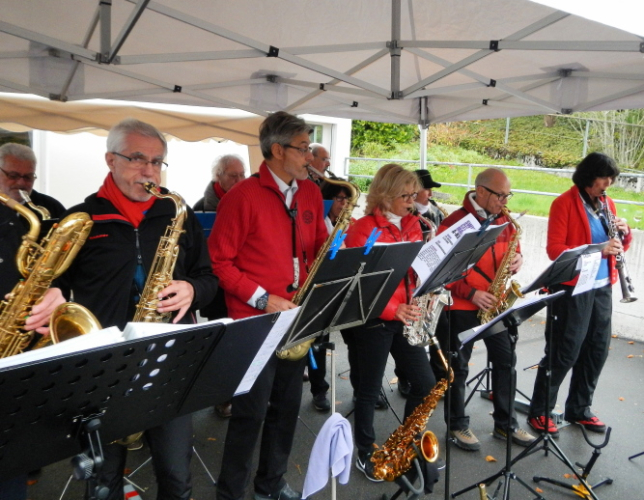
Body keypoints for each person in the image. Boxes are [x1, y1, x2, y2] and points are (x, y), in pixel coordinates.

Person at [37, 118, 218, 500]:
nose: (149, 171)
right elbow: (56, 282)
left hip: (169, 360)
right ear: (111, 160)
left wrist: (192, 288)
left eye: (157, 161)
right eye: (137, 158)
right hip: (103, 364)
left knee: (176, 475)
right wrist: (54, 291)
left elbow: (208, 278)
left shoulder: (177, 213)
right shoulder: (82, 218)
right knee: (103, 482)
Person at [208, 111, 327, 500]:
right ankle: (231, 493)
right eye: (303, 148)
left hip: (296, 315)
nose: (310, 156)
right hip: (254, 321)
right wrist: (262, 297)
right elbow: (219, 263)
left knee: (287, 408)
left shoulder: (310, 193)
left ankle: (271, 483)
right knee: (250, 413)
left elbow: (317, 246)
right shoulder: (242, 197)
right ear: (277, 150)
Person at [527, 152, 631, 437]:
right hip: (572, 287)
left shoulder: (607, 203)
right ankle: (540, 411)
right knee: (565, 350)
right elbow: (555, 250)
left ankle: (579, 408)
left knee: (597, 349)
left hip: (601, 286)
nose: (608, 184)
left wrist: (624, 234)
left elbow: (617, 246)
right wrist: (599, 249)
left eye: (611, 179)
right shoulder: (564, 204)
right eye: (604, 178)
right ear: (588, 177)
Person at [344, 164, 436, 482]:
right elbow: (359, 285)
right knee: (369, 391)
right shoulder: (362, 230)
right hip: (374, 319)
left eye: (413, 195)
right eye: (405, 196)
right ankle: (365, 451)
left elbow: (415, 272)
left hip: (406, 316)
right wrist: (392, 309)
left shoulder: (414, 225)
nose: (412, 201)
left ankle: (405, 444)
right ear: (384, 195)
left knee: (425, 383)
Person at [432, 167, 535, 451]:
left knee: (505, 360)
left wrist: (518, 259)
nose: (505, 201)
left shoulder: (507, 221)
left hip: (495, 304)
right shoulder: (454, 223)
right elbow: (440, 271)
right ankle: (457, 425)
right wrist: (471, 293)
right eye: (500, 195)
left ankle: (506, 424)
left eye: (508, 195)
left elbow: (514, 250)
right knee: (457, 367)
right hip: (461, 306)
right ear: (480, 191)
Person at [0, 143, 66, 297]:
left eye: (28, 177)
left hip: (39, 301)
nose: (21, 183)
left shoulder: (51, 207)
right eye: (13, 175)